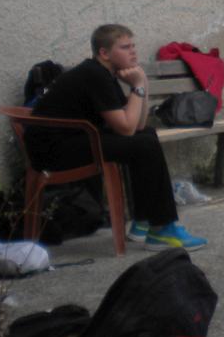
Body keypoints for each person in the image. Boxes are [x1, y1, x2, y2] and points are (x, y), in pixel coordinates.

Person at [27, 24, 208, 251]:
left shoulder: (104, 73)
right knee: (143, 144)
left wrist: (142, 84)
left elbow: (138, 124)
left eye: (133, 46)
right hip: (53, 150)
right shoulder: (94, 75)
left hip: (76, 137)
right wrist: (137, 87)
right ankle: (162, 229)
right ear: (104, 53)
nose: (133, 52)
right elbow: (126, 129)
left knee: (146, 135)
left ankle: (143, 221)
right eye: (125, 47)